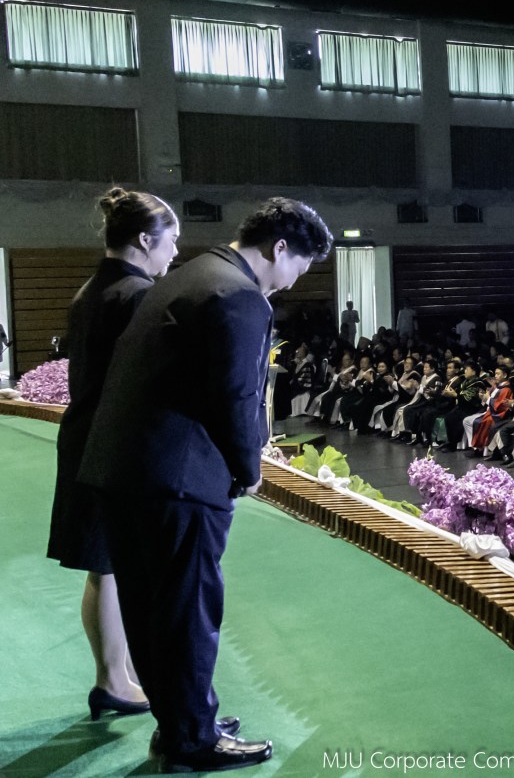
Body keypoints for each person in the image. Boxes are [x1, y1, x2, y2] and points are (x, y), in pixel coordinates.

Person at [80, 197, 332, 772]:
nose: (293, 283)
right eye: (299, 268)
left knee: (150, 611)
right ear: (280, 249)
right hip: (178, 480)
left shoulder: (191, 273)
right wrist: (250, 470)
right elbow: (236, 397)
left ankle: (179, 723)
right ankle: (192, 739)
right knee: (188, 613)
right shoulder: (239, 294)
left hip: (125, 471)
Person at [47, 188, 179, 722]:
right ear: (145, 240)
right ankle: (112, 679)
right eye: (172, 241)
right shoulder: (138, 294)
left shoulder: (94, 289)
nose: (175, 253)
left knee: (106, 569)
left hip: (86, 436)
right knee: (112, 567)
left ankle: (117, 677)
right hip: (114, 444)